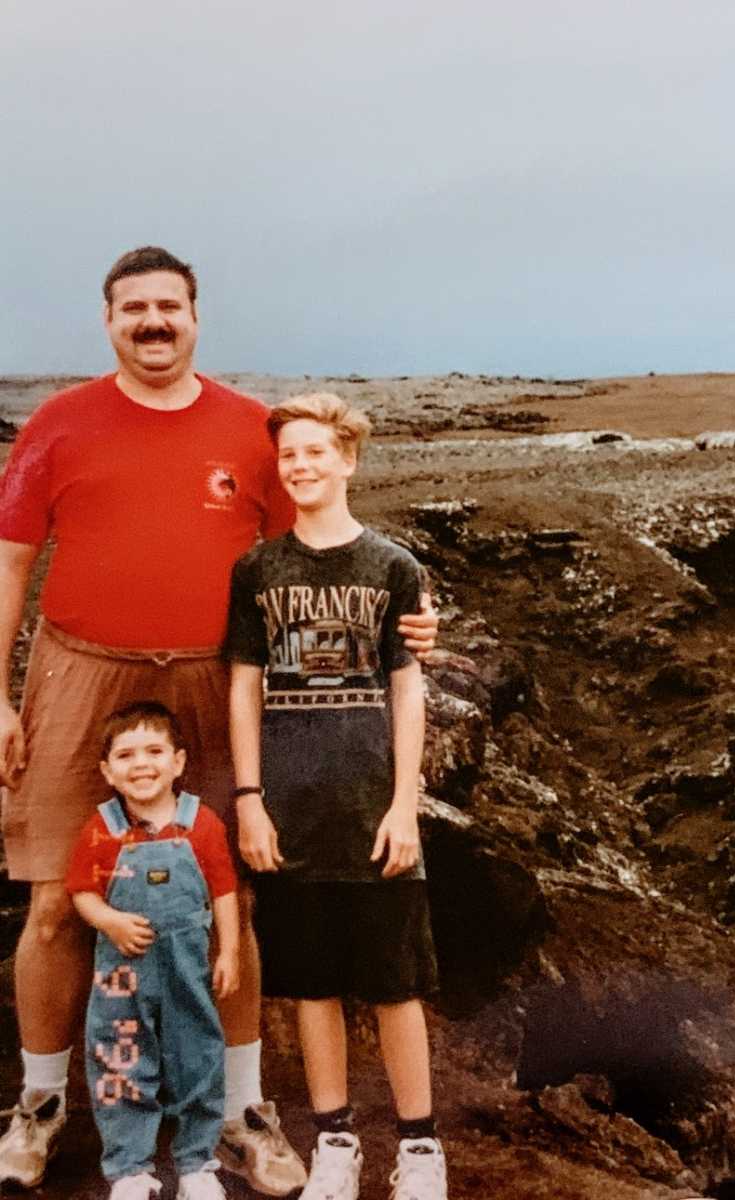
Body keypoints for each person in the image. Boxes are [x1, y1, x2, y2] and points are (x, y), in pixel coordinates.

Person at [0, 246, 439, 1194]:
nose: (153, 323)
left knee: (229, 894)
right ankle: (39, 1106)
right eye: (134, 309)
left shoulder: (251, 430)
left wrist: (408, 623)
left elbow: (316, 553)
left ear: (196, 316)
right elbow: (9, 566)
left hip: (214, 678)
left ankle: (240, 1109)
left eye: (170, 306)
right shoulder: (58, 423)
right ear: (107, 319)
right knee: (49, 901)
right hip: (79, 673)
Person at [226, 394, 447, 1200]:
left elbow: (408, 691)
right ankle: (335, 1143)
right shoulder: (258, 570)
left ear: (349, 459)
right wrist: (250, 798)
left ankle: (420, 1150)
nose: (302, 466)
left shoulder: (392, 567)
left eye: (317, 452)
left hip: (371, 812)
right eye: (289, 456)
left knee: (395, 985)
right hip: (291, 813)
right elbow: (244, 687)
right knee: (313, 985)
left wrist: (403, 804)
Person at [67, 702, 238, 1200]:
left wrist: (228, 953)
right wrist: (110, 921)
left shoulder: (201, 822)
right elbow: (81, 891)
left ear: (179, 762)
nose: (141, 764)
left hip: (187, 971)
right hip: (123, 977)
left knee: (198, 1058)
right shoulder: (102, 828)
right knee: (121, 1063)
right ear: (107, 771)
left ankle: (197, 1165)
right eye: (125, 754)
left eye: (154, 751)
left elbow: (224, 891)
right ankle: (129, 1169)